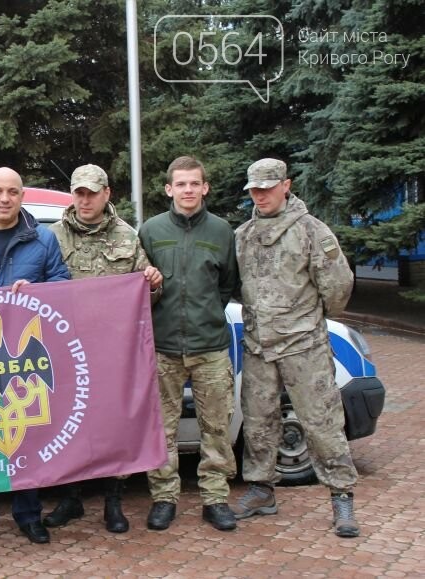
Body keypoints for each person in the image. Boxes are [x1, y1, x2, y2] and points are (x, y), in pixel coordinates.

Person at [232, 158, 359, 538]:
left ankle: (341, 495)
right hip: (259, 346)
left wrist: (309, 322)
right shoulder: (244, 235)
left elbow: (338, 287)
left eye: (267, 188)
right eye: (254, 189)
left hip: (303, 346)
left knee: (321, 423)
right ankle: (261, 490)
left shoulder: (311, 231)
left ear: (286, 186)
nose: (260, 195)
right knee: (257, 422)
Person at [44, 164, 163, 533]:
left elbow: (145, 293)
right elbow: (38, 284)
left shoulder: (128, 237)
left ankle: (114, 500)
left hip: (113, 351)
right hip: (66, 350)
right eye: (79, 192)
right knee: (70, 422)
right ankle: (71, 498)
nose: (85, 200)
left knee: (114, 424)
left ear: (106, 194)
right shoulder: (52, 237)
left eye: (91, 193)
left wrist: (154, 283)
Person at [0, 166, 71, 547]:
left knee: (29, 435)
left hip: (26, 351)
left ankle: (28, 515)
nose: (4, 198)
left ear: (22, 196)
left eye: (12, 192)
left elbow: (63, 282)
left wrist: (38, 289)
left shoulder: (43, 238)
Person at [138, 156, 239, 532]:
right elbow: (140, 285)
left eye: (194, 184)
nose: (188, 190)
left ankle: (215, 498)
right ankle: (164, 497)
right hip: (163, 347)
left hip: (209, 347)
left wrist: (207, 314)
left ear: (205, 187)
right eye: (181, 184)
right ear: (169, 189)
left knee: (215, 426)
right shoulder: (151, 230)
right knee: (162, 427)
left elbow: (227, 284)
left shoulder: (221, 231)